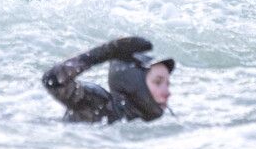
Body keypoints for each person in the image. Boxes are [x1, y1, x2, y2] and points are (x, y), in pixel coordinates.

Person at [43, 36, 174, 124]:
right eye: (158, 82)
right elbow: (53, 80)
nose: (167, 93)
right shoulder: (98, 104)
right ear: (133, 82)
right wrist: (105, 52)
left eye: (167, 84)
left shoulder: (144, 119)